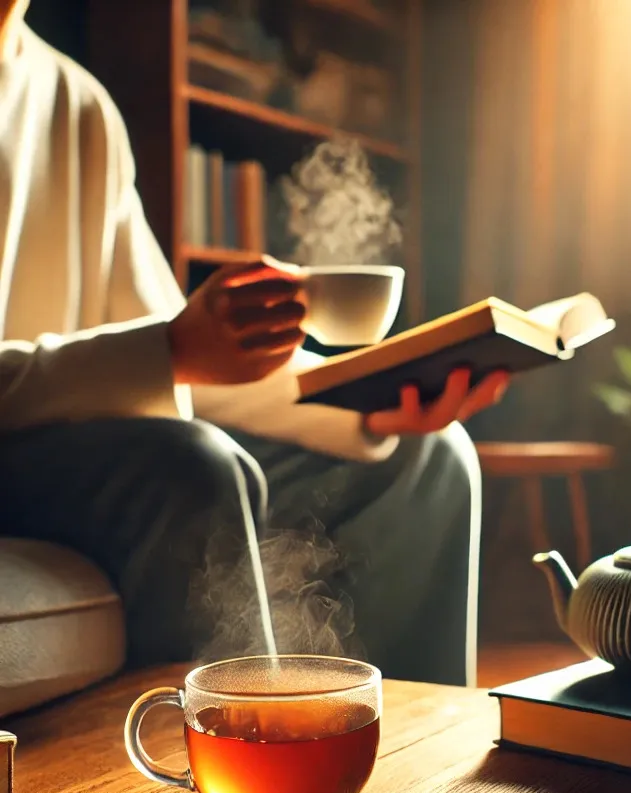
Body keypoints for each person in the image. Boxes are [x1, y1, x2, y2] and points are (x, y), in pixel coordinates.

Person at [0, 3, 507, 687]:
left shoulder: (79, 103)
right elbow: (165, 355)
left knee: (428, 457)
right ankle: (235, 761)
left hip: (78, 448)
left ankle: (414, 768)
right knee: (192, 468)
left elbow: (177, 363)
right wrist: (173, 350)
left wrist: (367, 408)